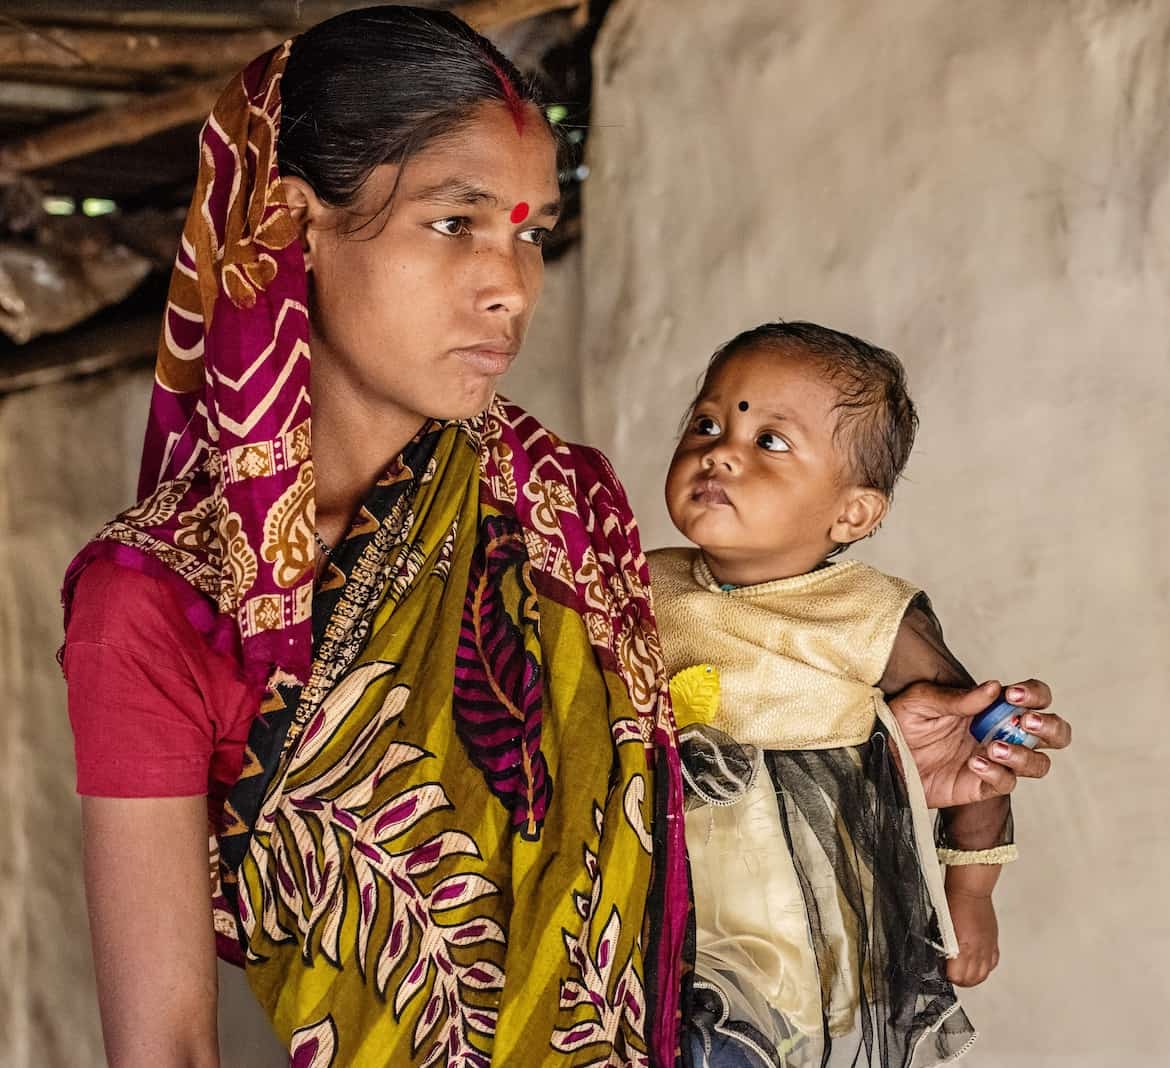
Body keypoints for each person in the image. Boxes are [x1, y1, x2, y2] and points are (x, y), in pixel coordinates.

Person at [57, 7, 1067, 1066]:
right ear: (291, 225)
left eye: (529, 234)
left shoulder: (553, 506)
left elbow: (636, 816)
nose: (510, 286)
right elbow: (164, 1044)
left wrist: (867, 752)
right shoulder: (156, 602)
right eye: (456, 223)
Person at [649, 322, 1046, 1066]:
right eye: (707, 423)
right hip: (658, 892)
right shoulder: (640, 579)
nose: (720, 451)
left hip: (800, 917)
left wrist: (974, 895)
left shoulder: (869, 615)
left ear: (853, 513)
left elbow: (985, 748)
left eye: (771, 442)